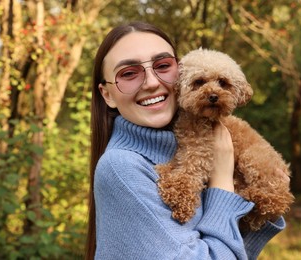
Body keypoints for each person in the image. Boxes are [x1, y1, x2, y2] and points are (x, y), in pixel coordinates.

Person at [86, 21, 286, 259]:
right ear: (107, 94)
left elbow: (225, 251)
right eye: (129, 73)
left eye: (162, 65)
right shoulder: (121, 168)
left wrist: (259, 213)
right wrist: (222, 183)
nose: (151, 82)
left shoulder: (179, 145)